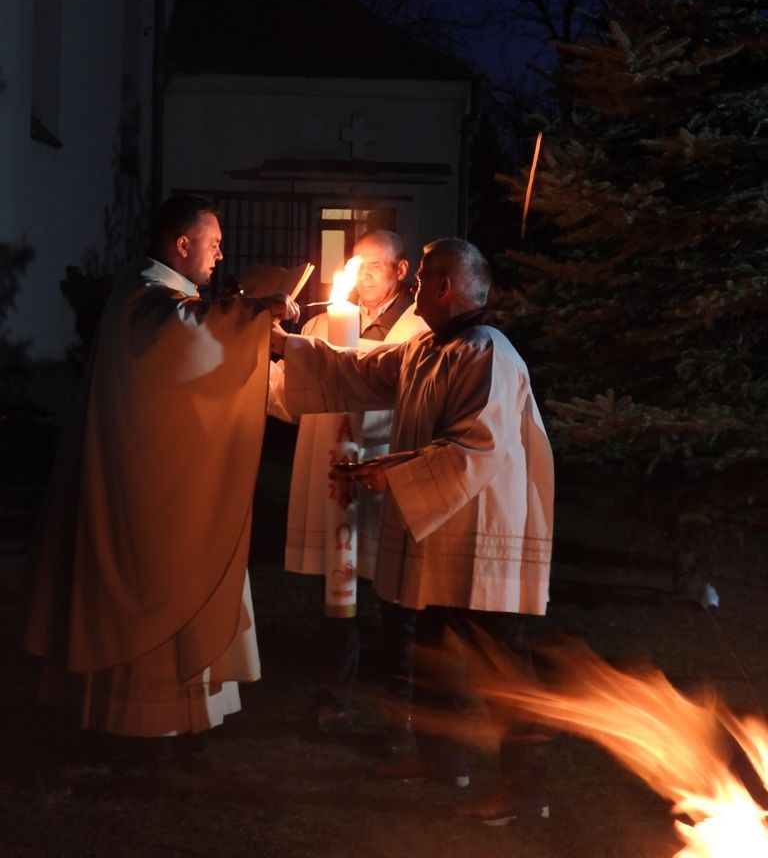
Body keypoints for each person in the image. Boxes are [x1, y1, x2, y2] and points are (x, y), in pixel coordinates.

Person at [271, 237, 554, 821]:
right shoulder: (427, 347)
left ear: (446, 287)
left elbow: (476, 447)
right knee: (431, 645)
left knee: (500, 660)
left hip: (478, 532)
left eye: (423, 278)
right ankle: (441, 759)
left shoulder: (488, 354)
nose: (415, 287)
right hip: (439, 527)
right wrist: (285, 345)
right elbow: (354, 372)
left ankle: (526, 789)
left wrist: (389, 471)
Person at [25, 195, 299, 751]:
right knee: (158, 575)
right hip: (146, 489)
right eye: (213, 244)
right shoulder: (145, 300)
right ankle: (143, 720)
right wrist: (255, 313)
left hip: (168, 476)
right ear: (182, 243)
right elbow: (183, 333)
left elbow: (198, 351)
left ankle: (171, 716)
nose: (220, 256)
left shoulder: (159, 298)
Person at [269, 230, 427, 747]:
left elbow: (395, 389)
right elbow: (289, 395)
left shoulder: (419, 330)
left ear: (401, 270)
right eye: (357, 266)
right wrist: (254, 359)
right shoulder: (321, 326)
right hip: (334, 476)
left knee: (398, 601)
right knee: (338, 597)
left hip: (385, 479)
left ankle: (402, 713)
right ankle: (332, 700)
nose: (363, 277)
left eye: (376, 266)